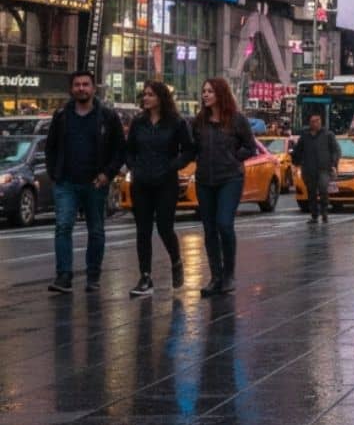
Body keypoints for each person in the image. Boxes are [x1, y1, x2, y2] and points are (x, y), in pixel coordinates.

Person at [46, 70, 126, 294]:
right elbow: (50, 147)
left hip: (95, 183)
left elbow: (120, 150)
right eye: (77, 85)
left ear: (93, 88)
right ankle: (63, 276)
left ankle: (93, 276)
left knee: (96, 230)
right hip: (66, 182)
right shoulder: (62, 115)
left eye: (85, 84)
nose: (81, 88)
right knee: (63, 226)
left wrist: (107, 174)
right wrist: (54, 174)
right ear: (71, 89)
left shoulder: (108, 117)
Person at [125, 81, 194, 298]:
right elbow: (129, 149)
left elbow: (189, 150)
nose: (145, 98)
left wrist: (172, 166)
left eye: (150, 95)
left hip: (166, 183)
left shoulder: (176, 123)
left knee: (165, 227)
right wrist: (134, 167)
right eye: (144, 95)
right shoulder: (138, 123)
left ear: (161, 98)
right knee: (143, 230)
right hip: (142, 182)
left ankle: (176, 260)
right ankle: (145, 277)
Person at [193, 77, 256, 296]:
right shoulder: (199, 121)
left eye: (210, 91)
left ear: (220, 93)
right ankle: (215, 276)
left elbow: (250, 147)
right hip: (204, 180)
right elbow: (192, 148)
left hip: (230, 178)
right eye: (204, 91)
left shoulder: (237, 120)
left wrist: (232, 157)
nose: (206, 95)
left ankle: (229, 274)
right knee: (209, 229)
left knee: (224, 224)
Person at [291, 113, 340, 223]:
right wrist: (295, 162)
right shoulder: (305, 136)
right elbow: (298, 150)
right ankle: (314, 215)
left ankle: (324, 213)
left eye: (317, 121)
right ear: (310, 123)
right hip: (308, 169)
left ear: (320, 122)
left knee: (323, 190)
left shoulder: (328, 135)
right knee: (311, 192)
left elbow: (335, 151)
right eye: (313, 121)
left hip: (324, 169)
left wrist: (334, 164)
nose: (315, 123)